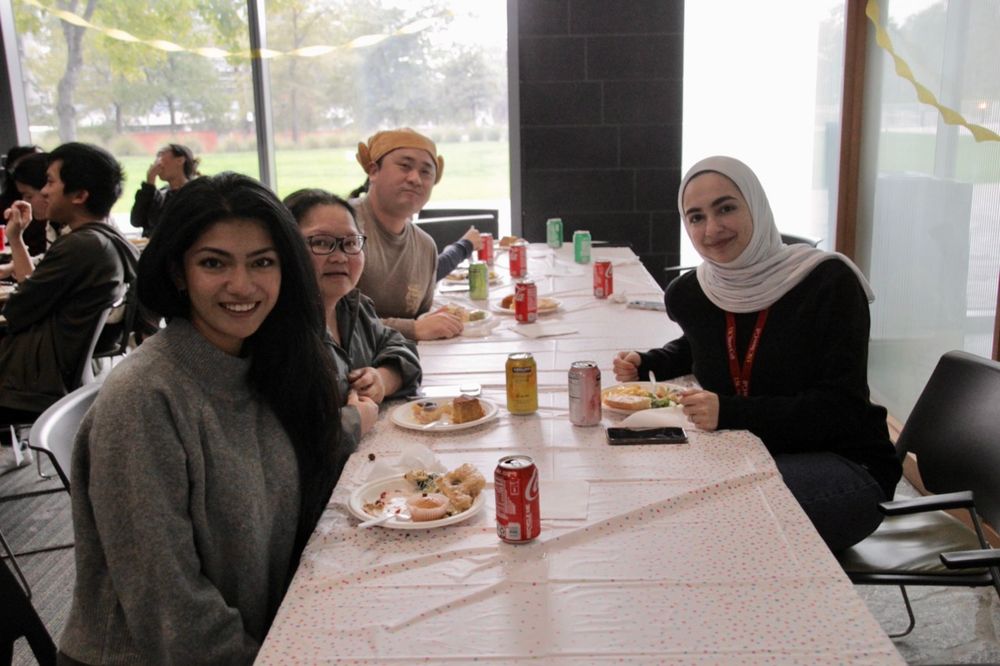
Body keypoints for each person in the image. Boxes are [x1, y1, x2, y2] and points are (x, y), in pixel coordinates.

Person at [59, 173, 346, 665]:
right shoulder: (145, 400)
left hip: (261, 634)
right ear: (178, 272)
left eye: (262, 263)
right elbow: (173, 614)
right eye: (214, 263)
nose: (242, 285)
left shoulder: (265, 363)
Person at [613, 156, 901, 552]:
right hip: (748, 452)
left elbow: (841, 408)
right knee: (655, 485)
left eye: (726, 208)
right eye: (695, 217)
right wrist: (651, 363)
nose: (712, 229)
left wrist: (730, 412)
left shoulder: (827, 283)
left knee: (705, 516)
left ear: (757, 206)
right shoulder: (694, 293)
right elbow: (708, 342)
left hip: (844, 464)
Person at [0, 143, 137, 428]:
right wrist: (16, 238)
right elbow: (33, 292)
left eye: (50, 182)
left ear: (80, 195)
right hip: (52, 377)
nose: (45, 191)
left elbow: (17, 309)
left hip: (29, 385)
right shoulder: (104, 241)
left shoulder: (81, 246)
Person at [285, 188, 421, 450]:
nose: (339, 257)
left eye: (350, 243)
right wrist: (354, 421)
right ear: (287, 247)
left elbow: (402, 347)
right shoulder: (282, 332)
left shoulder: (353, 308)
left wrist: (383, 378)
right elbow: (287, 445)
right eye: (321, 242)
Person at [348, 128, 463, 340]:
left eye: (426, 172)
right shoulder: (343, 228)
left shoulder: (425, 246)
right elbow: (329, 320)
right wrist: (412, 329)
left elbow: (422, 319)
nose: (415, 179)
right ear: (373, 171)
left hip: (402, 363)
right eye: (405, 166)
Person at [129, 143, 200, 238]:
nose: (156, 162)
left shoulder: (196, 192)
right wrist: (149, 184)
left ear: (180, 160)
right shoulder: (159, 194)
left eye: (161, 155)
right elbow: (136, 221)